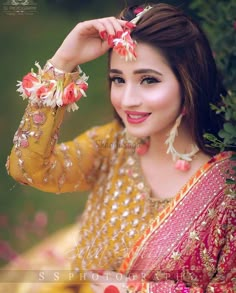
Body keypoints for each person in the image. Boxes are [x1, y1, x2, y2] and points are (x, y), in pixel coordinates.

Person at [3, 2, 236, 293]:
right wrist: (63, 61)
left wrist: (135, 290)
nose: (127, 100)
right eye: (118, 80)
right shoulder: (112, 145)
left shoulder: (227, 189)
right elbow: (27, 167)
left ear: (189, 81)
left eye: (148, 80)